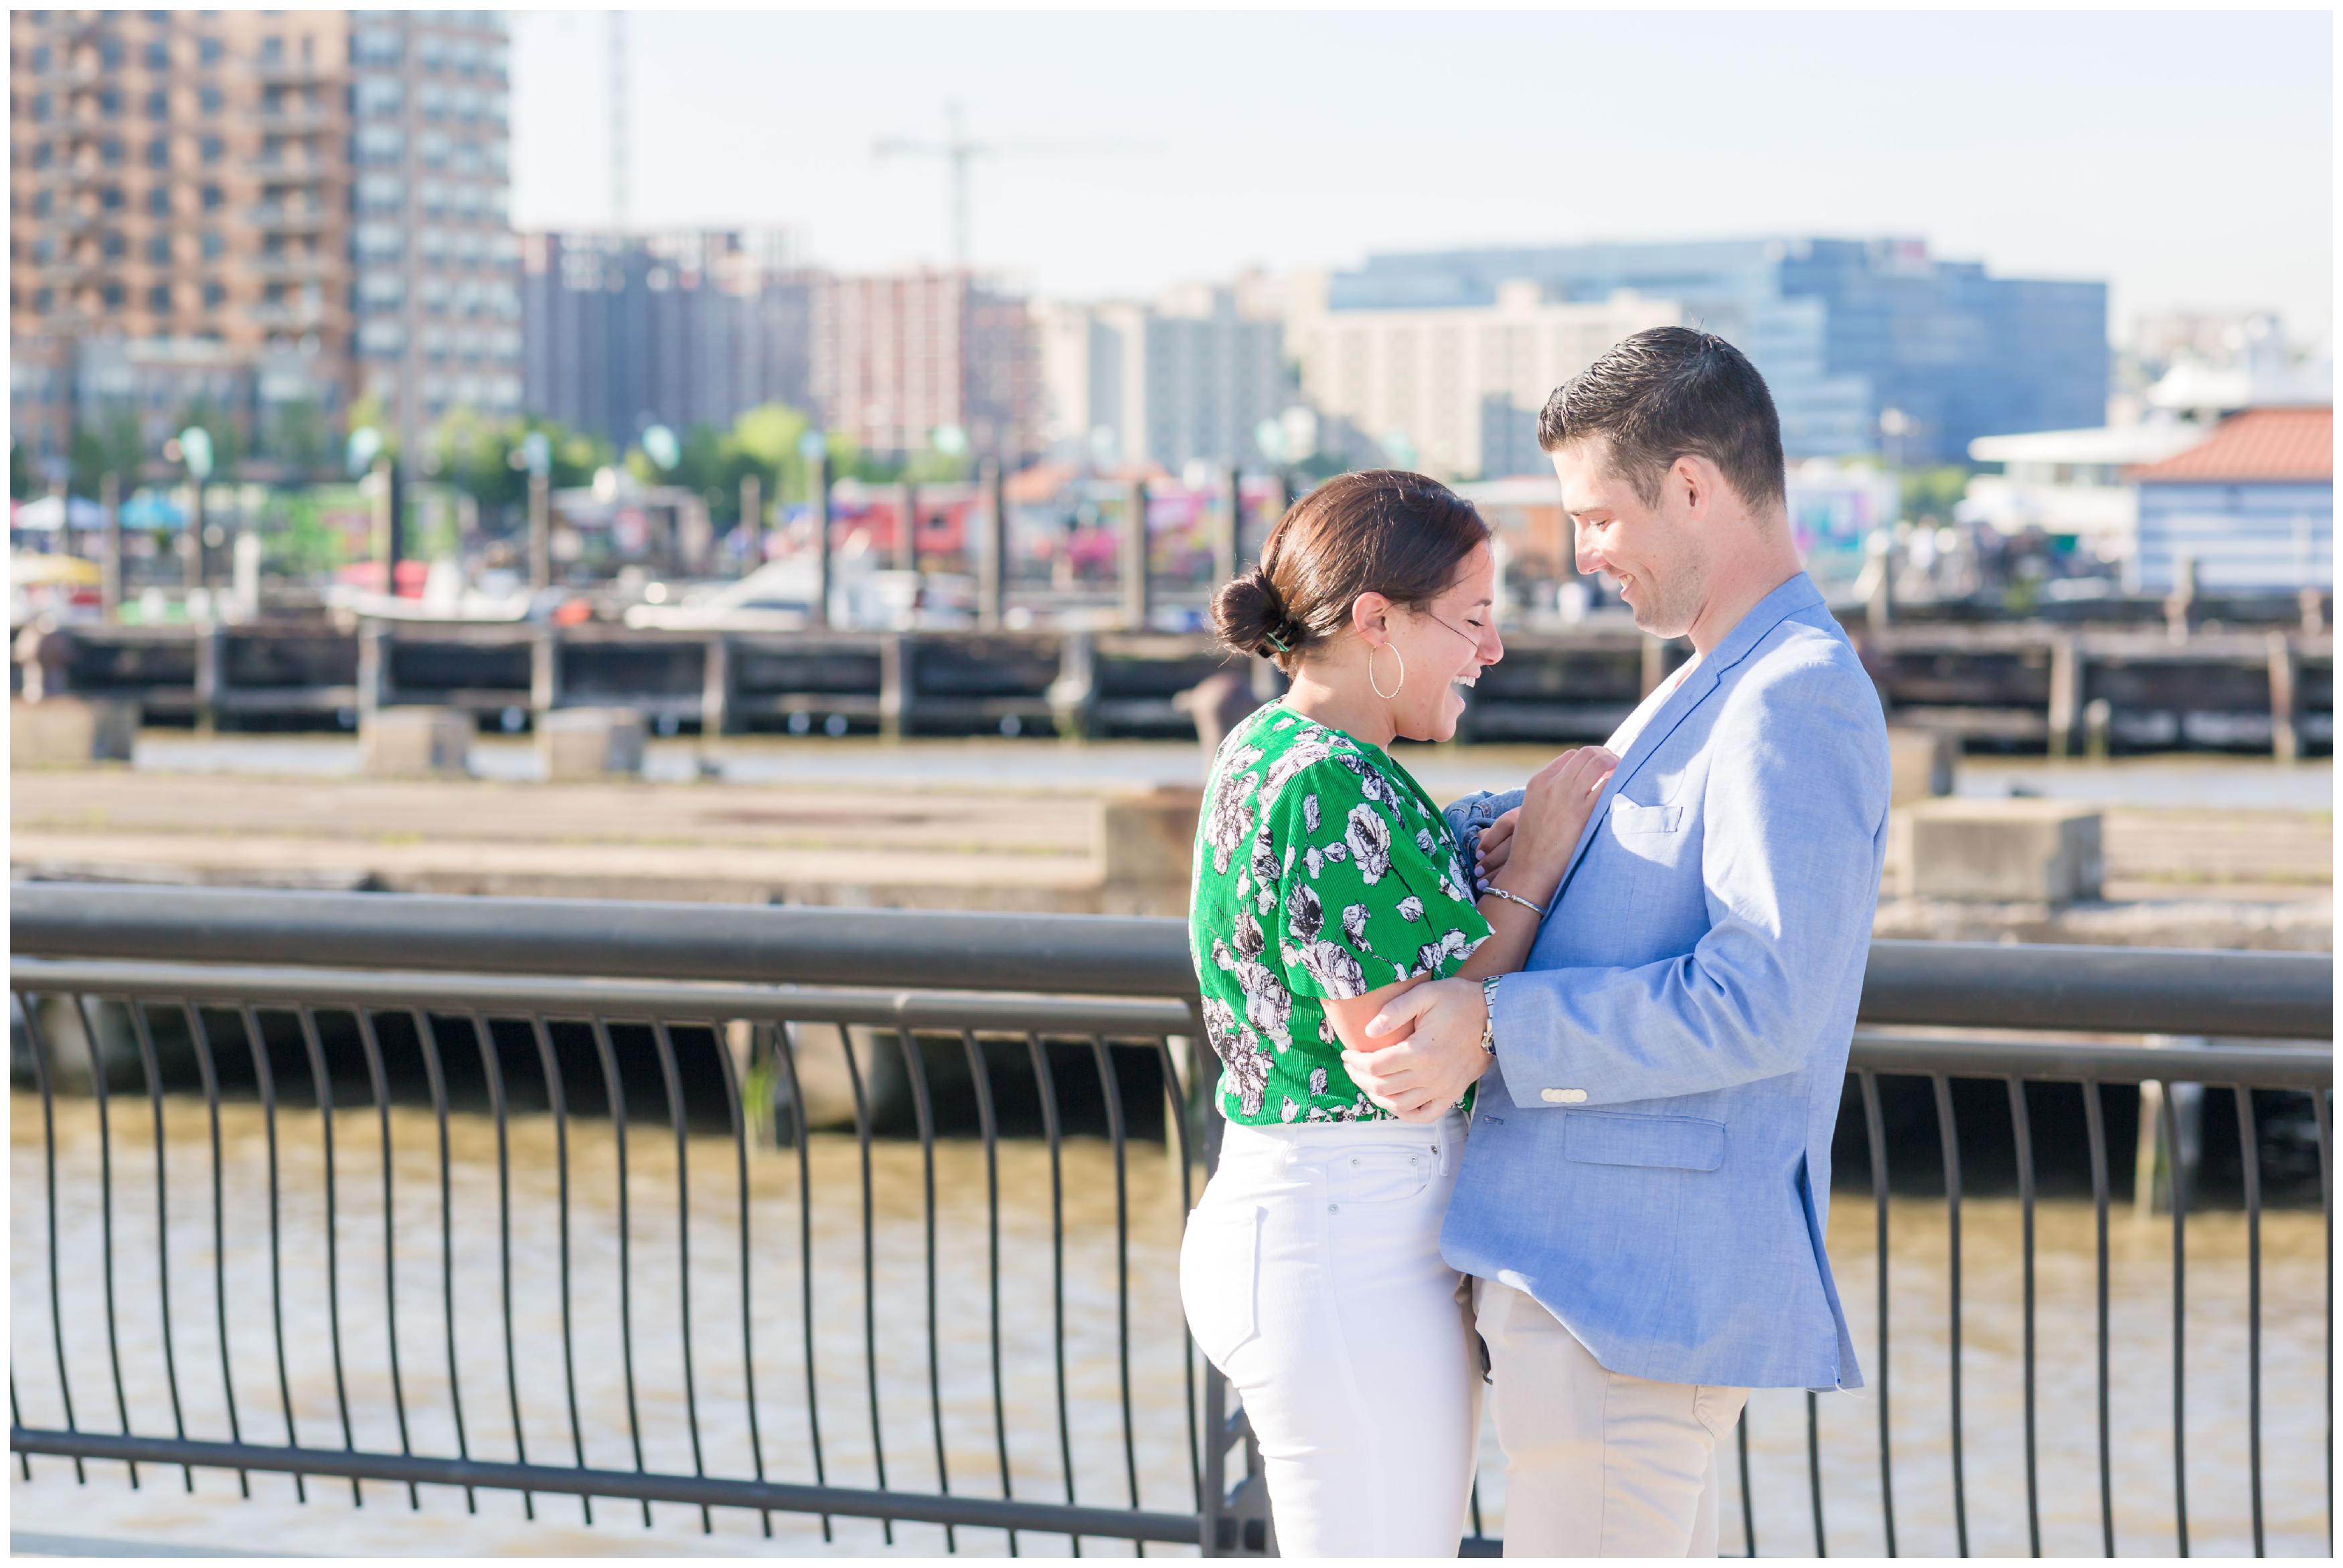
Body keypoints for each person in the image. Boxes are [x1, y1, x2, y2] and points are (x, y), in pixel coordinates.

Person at [1347, 328, 1892, 1556]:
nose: (1583, 554)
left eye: (1596, 517)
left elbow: (1763, 997)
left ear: (1692, 485)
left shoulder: (1785, 691)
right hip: (1609, 1294)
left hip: (1626, 1302)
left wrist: (1494, 1026)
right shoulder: (1721, 673)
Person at [1178, 468, 1617, 1557]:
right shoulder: (1336, 780)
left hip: (1309, 1220)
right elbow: (1415, 1044)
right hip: (1345, 1242)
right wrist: (1541, 859)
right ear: (1376, 621)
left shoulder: (1275, 751)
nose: (1493, 649)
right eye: (1471, 619)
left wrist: (1470, 850)